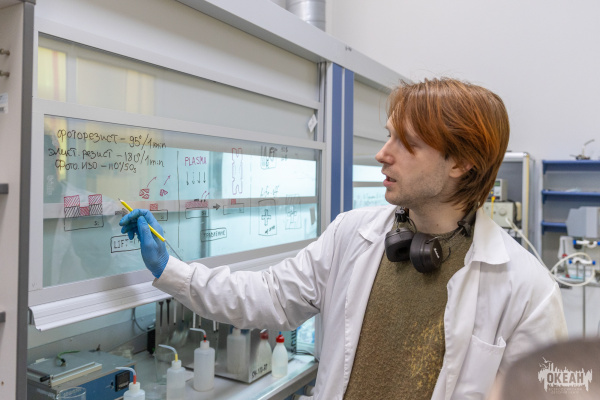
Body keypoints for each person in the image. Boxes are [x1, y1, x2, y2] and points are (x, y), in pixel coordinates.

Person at [120, 78, 568, 400]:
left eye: (407, 143)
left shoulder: (527, 289)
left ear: (461, 163)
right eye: (389, 136)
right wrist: (171, 270)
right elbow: (267, 296)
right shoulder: (353, 234)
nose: (382, 153)